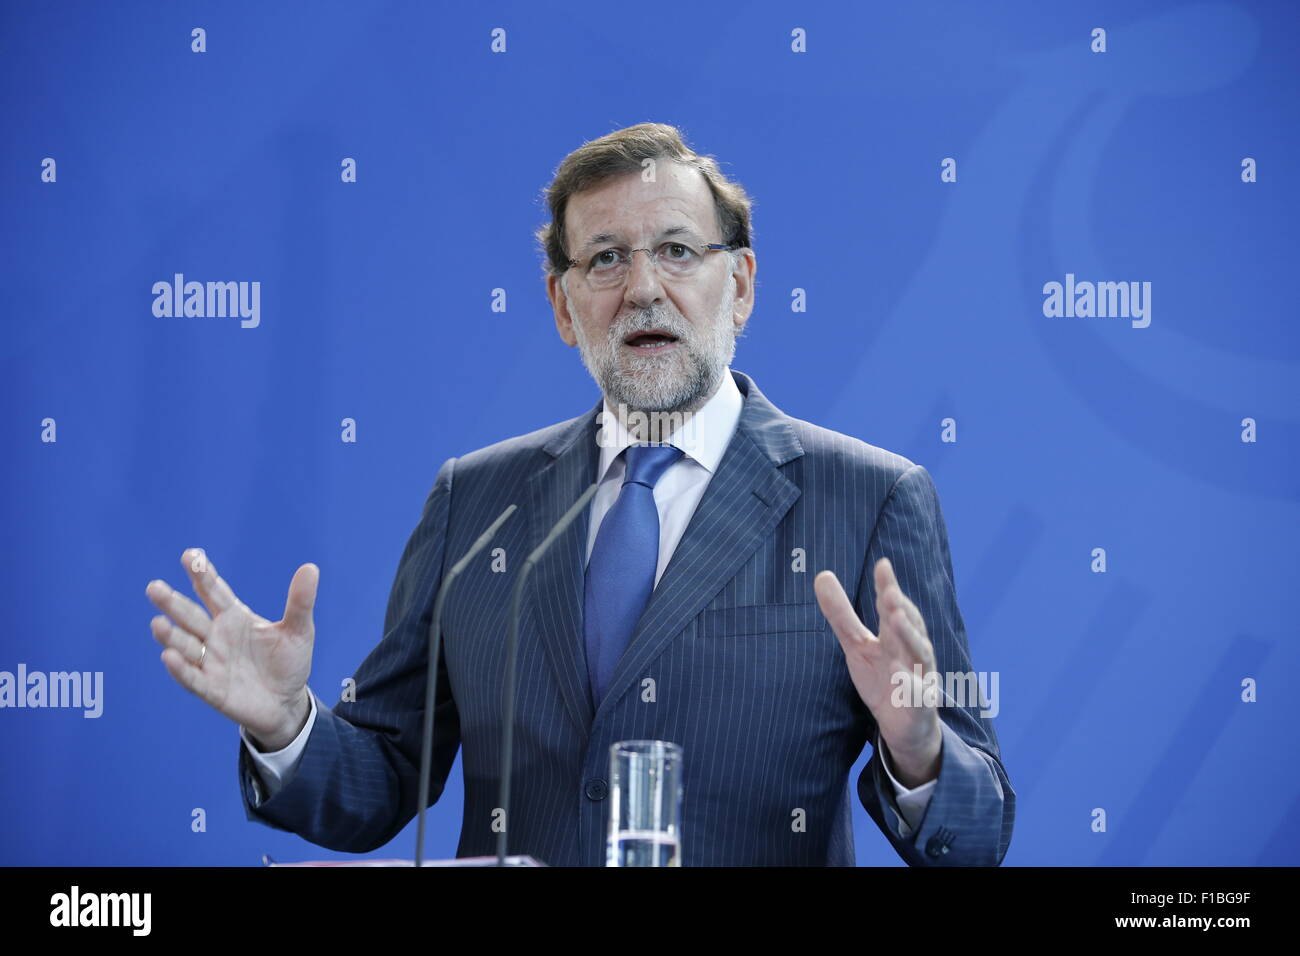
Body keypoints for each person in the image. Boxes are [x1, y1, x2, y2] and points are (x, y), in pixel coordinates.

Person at [145, 122, 1014, 866]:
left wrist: (918, 747)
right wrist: (286, 723)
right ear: (564, 308)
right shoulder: (477, 500)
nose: (642, 287)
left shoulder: (867, 499)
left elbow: (978, 835)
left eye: (677, 250)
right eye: (605, 259)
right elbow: (379, 783)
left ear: (740, 285)